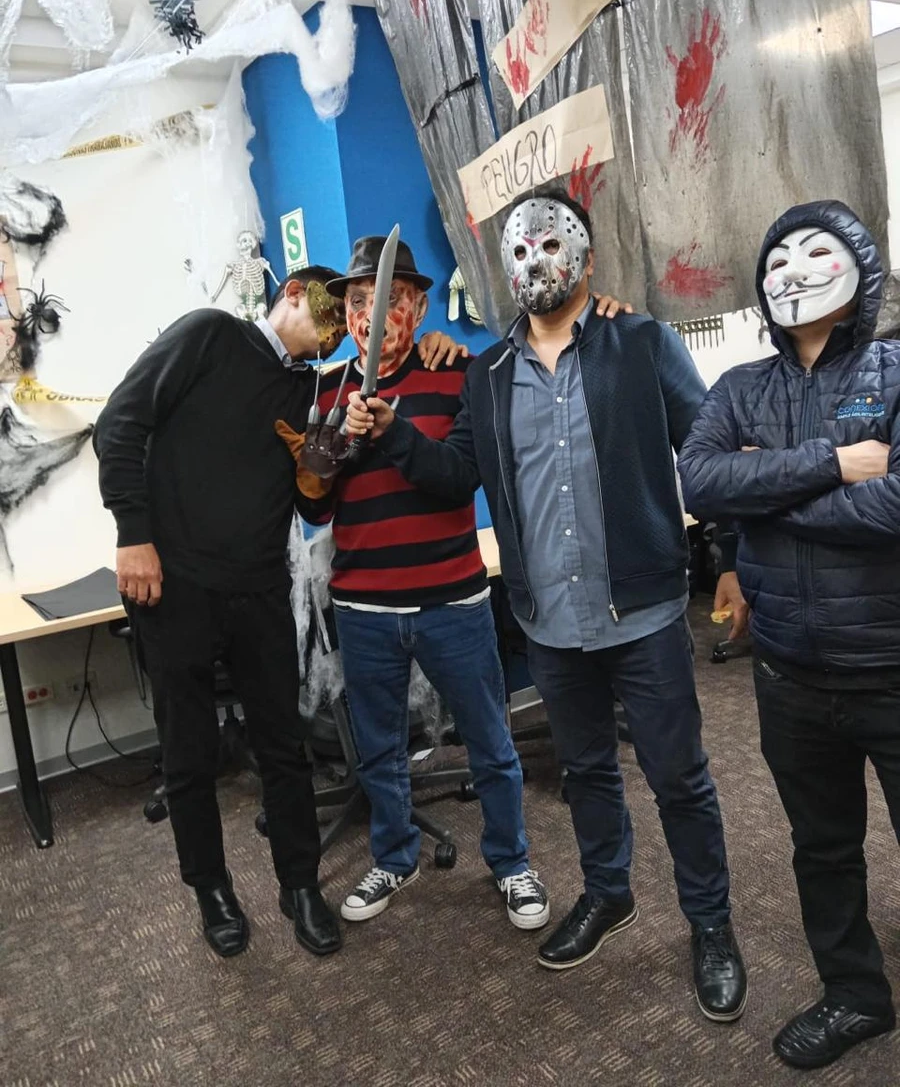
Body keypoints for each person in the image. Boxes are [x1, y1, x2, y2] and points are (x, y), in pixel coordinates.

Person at [345, 190, 748, 1022]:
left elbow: (708, 453)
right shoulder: (487, 375)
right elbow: (456, 475)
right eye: (520, 250)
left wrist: (735, 559)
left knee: (678, 778)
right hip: (550, 624)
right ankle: (608, 893)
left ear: (587, 258)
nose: (535, 260)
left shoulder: (640, 343)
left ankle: (710, 923)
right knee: (588, 772)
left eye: (552, 245)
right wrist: (393, 430)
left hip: (641, 613)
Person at [93, 266, 464, 959]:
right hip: (175, 585)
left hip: (262, 586)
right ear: (293, 292)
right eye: (330, 315)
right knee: (189, 754)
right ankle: (211, 890)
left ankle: (300, 886)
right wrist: (132, 533)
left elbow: (309, 500)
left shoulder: (310, 391)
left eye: (343, 327)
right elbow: (119, 422)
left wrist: (321, 472)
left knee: (283, 747)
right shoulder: (208, 336)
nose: (336, 333)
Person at [678, 200, 900, 1070]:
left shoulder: (896, 371)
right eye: (777, 258)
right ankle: (855, 996)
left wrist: (766, 498)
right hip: (789, 674)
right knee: (823, 848)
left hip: (891, 663)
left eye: (815, 252)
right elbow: (701, 482)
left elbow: (896, 507)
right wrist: (830, 465)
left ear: (862, 269)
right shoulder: (740, 389)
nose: (793, 270)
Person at [278, 236, 551, 929]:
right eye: (358, 302)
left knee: (489, 741)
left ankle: (512, 860)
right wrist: (320, 466)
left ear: (419, 308)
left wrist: (393, 432)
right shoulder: (328, 389)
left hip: (451, 599)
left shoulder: (457, 373)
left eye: (389, 300)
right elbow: (316, 511)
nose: (371, 316)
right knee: (378, 750)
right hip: (364, 607)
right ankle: (394, 856)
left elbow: (458, 478)